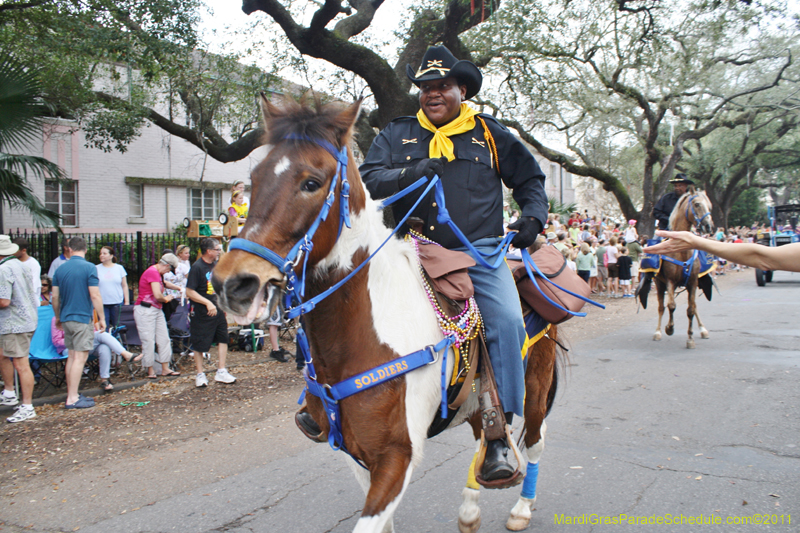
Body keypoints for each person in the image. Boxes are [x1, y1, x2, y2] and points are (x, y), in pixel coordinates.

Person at [359, 45, 547, 482]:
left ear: (462, 89)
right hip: (408, 250)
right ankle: (322, 399)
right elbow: (369, 180)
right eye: (425, 87)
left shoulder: (489, 134)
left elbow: (530, 179)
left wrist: (532, 219)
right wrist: (415, 171)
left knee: (505, 321)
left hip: (477, 253)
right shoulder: (396, 133)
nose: (432, 93)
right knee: (348, 300)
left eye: (442, 85)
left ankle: (498, 435)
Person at [52, 236, 105, 409]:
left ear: (69, 248)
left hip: (66, 317)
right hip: (82, 317)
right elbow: (95, 295)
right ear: (86, 249)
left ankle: (71, 394)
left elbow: (55, 297)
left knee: (72, 356)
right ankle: (73, 398)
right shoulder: (89, 267)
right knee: (80, 357)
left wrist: (58, 316)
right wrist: (102, 318)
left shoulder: (60, 269)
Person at [185, 238, 236, 387]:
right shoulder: (197, 267)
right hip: (202, 312)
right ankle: (200, 374)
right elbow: (189, 291)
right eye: (217, 249)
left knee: (223, 338)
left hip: (218, 310)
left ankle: (221, 371)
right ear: (209, 251)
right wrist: (207, 303)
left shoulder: (216, 265)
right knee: (200, 344)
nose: (219, 252)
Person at [0, 236, 39, 422]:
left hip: (15, 323)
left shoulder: (4, 269)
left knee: (21, 364)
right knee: (7, 356)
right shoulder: (21, 264)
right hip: (27, 319)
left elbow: (4, 301)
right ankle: (10, 393)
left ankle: (27, 405)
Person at [51, 318, 142, 391]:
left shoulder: (83, 316)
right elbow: (57, 341)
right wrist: (77, 339)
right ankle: (126, 354)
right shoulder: (57, 319)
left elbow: (93, 332)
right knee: (101, 336)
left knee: (103, 346)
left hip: (87, 345)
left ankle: (104, 380)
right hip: (70, 349)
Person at [644, 230, 800, 272]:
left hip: (691, 235)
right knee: (649, 262)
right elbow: (762, 257)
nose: (679, 186)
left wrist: (696, 241)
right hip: (669, 229)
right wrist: (696, 241)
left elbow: (763, 258)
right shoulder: (667, 200)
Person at [134, 253, 180, 380]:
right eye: (169, 269)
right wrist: (167, 299)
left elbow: (164, 283)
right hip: (145, 309)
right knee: (148, 340)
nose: (168, 272)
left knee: (163, 338)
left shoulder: (157, 274)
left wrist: (178, 288)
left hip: (156, 309)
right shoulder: (152, 272)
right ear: (166, 265)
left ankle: (165, 367)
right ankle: (150, 369)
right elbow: (157, 295)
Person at [96, 246, 129, 330]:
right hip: (102, 303)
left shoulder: (119, 268)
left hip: (117, 302)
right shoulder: (96, 268)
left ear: (111, 256)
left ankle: (119, 342)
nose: (101, 255)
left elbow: (124, 285)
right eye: (100, 253)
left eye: (104, 253)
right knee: (104, 327)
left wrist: (127, 301)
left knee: (118, 327)